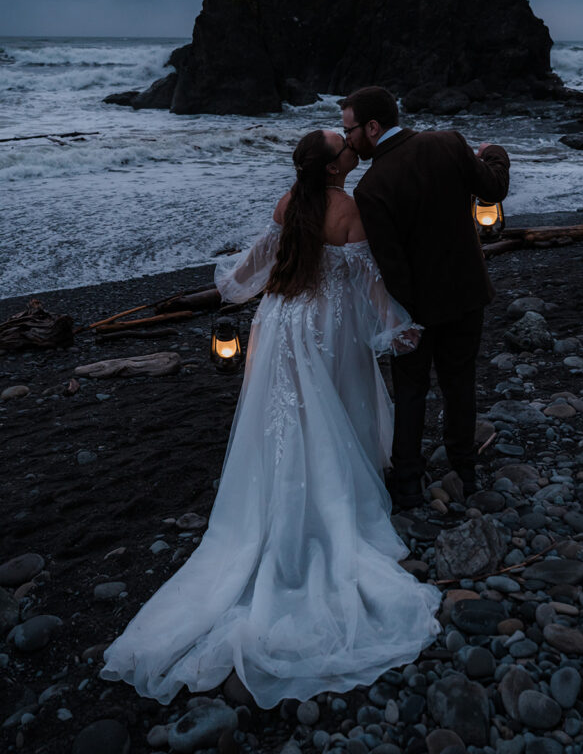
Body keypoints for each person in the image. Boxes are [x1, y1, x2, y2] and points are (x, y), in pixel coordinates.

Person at [100, 129, 440, 708]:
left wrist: (231, 285)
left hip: (279, 321)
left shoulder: (290, 200)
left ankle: (273, 497)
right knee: (329, 405)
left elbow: (257, 265)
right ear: (333, 168)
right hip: (323, 327)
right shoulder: (347, 209)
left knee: (282, 419)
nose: (353, 151)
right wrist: (397, 328)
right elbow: (366, 283)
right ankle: (326, 504)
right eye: (345, 148)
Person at [341, 86, 510, 508]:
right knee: (460, 383)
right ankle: (465, 469)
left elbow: (391, 264)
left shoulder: (371, 187)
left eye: (350, 130)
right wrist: (494, 152)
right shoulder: (448, 143)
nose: (347, 139)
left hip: (415, 308)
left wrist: (404, 316)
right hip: (467, 294)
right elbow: (494, 190)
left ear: (374, 127)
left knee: (411, 392)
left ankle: (409, 482)